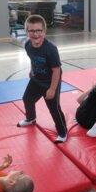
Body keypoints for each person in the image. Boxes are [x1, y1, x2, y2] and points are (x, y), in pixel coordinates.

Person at [16, 15, 68, 143]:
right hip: (36, 78)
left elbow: (56, 71)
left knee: (54, 108)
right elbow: (33, 58)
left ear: (44, 31)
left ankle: (62, 132)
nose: (36, 34)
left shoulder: (50, 49)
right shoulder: (28, 44)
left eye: (39, 30)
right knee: (27, 99)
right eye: (32, 31)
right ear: (27, 31)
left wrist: (52, 89)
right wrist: (31, 70)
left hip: (50, 82)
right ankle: (31, 118)